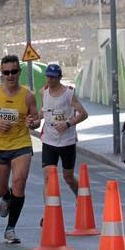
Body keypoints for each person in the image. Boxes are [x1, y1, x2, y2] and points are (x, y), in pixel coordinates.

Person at [0, 54, 38, 244]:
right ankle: (6, 197)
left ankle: (10, 229)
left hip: (21, 144)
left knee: (20, 181)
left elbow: (35, 119)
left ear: (19, 72)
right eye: (6, 72)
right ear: (1, 73)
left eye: (13, 72)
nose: (10, 76)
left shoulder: (27, 95)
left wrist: (32, 122)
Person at [38, 62, 88, 199]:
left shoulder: (69, 94)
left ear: (59, 78)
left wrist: (67, 124)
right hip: (49, 141)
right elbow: (44, 112)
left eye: (53, 77)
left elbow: (83, 114)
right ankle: (48, 214)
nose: (50, 79)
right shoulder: (43, 92)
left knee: (68, 177)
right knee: (48, 177)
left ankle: (81, 200)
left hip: (67, 142)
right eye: (48, 76)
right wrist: (36, 119)